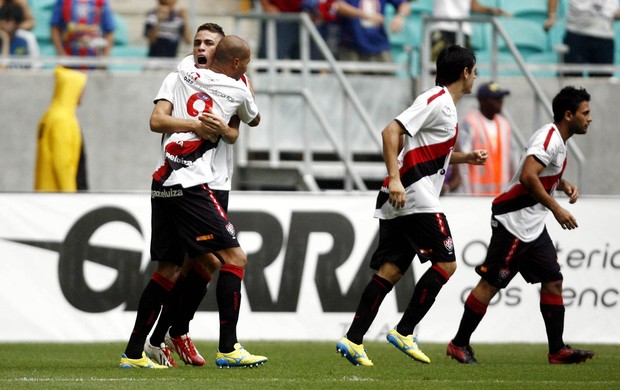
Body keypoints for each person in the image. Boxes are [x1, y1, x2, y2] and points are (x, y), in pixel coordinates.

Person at [120, 32, 267, 369]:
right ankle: (225, 347)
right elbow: (253, 117)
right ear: (237, 62)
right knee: (231, 258)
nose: (201, 48)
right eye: (198, 42)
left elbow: (233, 132)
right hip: (192, 183)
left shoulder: (183, 72)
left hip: (169, 179)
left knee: (175, 268)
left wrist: (222, 126)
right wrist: (203, 122)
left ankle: (139, 349)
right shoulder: (228, 84)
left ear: (218, 50)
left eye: (209, 43)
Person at [336, 44, 488, 367]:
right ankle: (405, 331)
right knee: (446, 265)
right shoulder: (435, 99)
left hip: (403, 197)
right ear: (465, 72)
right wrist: (395, 179)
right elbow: (391, 131)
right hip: (413, 195)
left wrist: (465, 158)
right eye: (475, 70)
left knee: (389, 272)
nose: (476, 76)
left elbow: (429, 151)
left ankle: (353, 339)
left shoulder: (447, 106)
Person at [447, 86, 595, 365]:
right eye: (585, 113)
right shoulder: (549, 138)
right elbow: (528, 176)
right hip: (513, 223)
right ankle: (458, 343)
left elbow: (542, 172)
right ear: (568, 115)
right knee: (490, 284)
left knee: (553, 280)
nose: (590, 118)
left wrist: (562, 184)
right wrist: (556, 209)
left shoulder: (559, 141)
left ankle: (556, 350)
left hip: (532, 226)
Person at [451, 81, 515, 195]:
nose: (500, 101)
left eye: (501, 97)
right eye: (495, 98)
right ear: (482, 101)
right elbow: (463, 163)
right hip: (476, 196)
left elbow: (511, 161)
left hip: (500, 195)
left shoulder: (504, 124)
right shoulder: (470, 122)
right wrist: (466, 193)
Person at [34, 66, 88, 191]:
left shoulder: (49, 115)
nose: (82, 94)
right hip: (57, 198)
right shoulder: (63, 120)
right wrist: (70, 197)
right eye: (81, 90)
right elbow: (62, 163)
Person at [545, 0, 620, 77]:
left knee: (603, 84)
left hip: (604, 36)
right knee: (569, 81)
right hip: (576, 33)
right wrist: (552, 15)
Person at [431, 0, 509, 61]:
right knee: (437, 66)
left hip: (463, 30)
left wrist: (492, 10)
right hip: (442, 27)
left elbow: (474, 5)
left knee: (467, 67)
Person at [336, 0, 410, 63]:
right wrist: (366, 15)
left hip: (379, 45)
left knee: (386, 78)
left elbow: (404, 5)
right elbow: (337, 5)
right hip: (351, 45)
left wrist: (400, 17)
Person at [50, 0, 115, 68]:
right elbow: (55, 29)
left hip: (95, 61)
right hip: (69, 61)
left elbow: (109, 32)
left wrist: (104, 58)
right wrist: (62, 55)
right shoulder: (63, 2)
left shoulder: (101, 2)